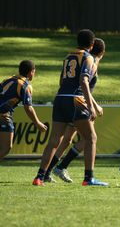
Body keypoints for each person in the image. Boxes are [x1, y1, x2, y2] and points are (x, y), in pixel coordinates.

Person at [33, 29, 108, 186]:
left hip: (60, 98)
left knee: (55, 140)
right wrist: (90, 105)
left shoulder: (68, 56)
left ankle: (39, 177)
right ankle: (89, 178)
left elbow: (61, 81)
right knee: (91, 138)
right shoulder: (88, 58)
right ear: (92, 44)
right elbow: (83, 81)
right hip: (76, 100)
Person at [0, 60, 47, 159]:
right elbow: (28, 107)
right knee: (6, 148)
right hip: (3, 116)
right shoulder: (25, 85)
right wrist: (37, 123)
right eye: (34, 71)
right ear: (31, 72)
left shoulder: (8, 79)